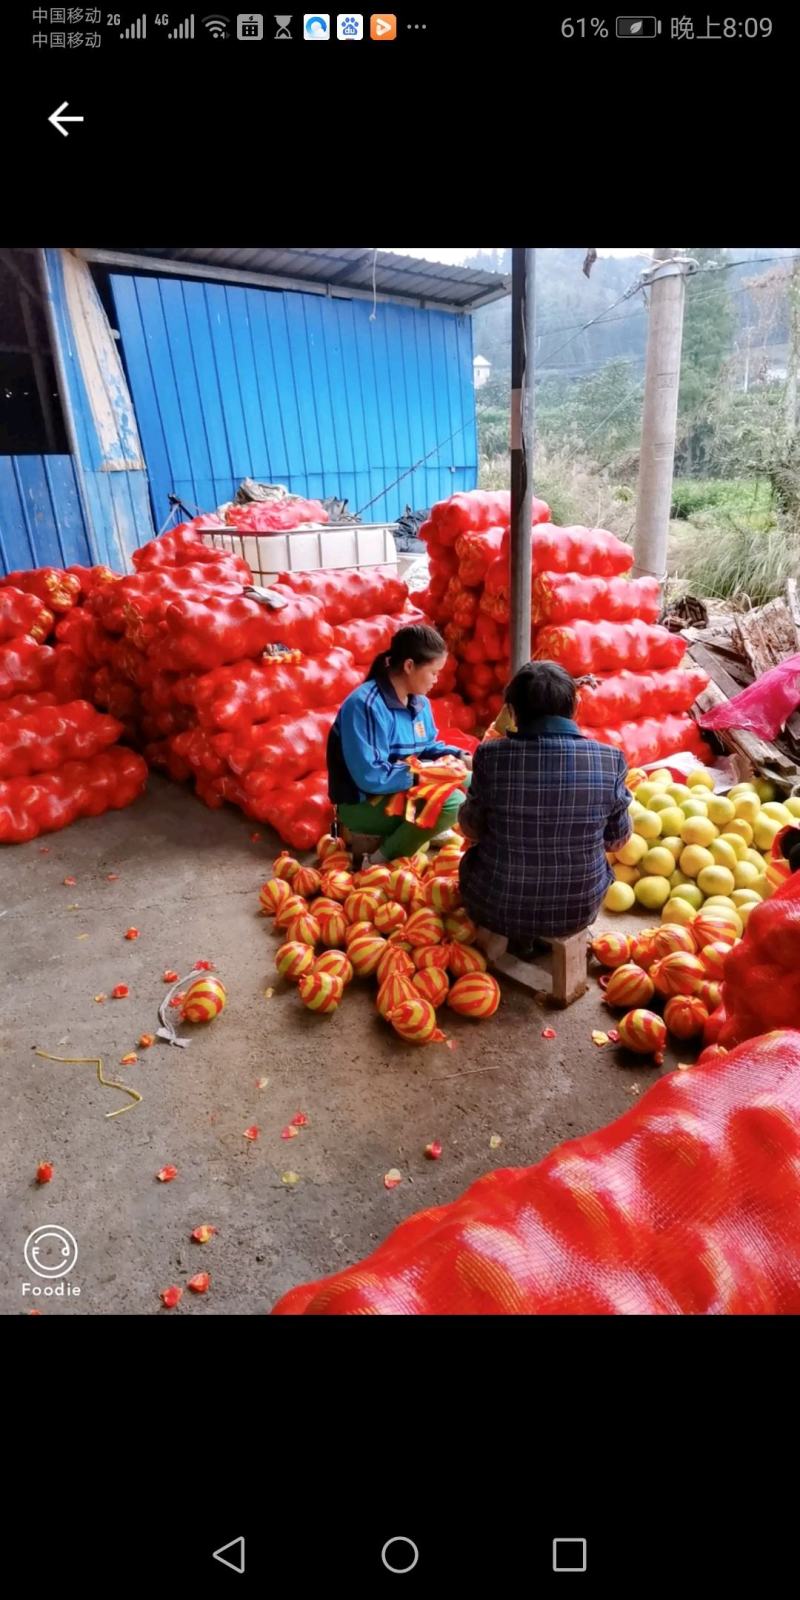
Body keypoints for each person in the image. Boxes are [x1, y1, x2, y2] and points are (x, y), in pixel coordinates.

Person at [458, 660, 632, 948]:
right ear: (575, 706)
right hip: (577, 909)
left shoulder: (490, 756)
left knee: (472, 859)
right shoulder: (610, 760)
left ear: (512, 712)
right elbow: (616, 842)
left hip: (495, 905)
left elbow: (471, 829)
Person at [327, 624, 472, 863]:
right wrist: (425, 775)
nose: (437, 679)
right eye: (434, 672)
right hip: (363, 804)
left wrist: (458, 757)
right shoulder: (366, 705)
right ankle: (379, 860)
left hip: (399, 790)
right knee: (453, 804)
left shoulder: (419, 702)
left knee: (470, 777)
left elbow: (426, 747)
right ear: (409, 666)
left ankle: (423, 827)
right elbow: (371, 776)